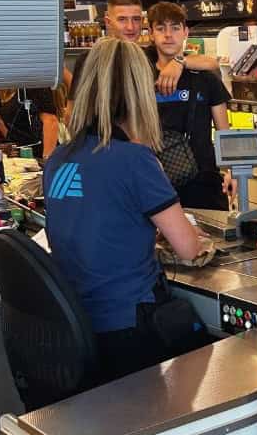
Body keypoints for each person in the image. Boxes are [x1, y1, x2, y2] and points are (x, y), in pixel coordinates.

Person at [44, 37, 202, 382]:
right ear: (139, 92)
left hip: (81, 330)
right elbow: (189, 248)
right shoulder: (134, 160)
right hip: (131, 328)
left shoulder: (57, 159)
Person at [148, 1, 236, 210]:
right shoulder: (141, 75)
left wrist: (232, 170)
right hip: (154, 180)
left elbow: (224, 131)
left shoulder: (205, 78)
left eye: (175, 28)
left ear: (186, 31)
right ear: (151, 33)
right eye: (161, 28)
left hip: (203, 181)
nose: (168, 35)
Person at [105, 0, 221, 94]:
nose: (130, 27)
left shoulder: (147, 56)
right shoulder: (97, 60)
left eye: (136, 19)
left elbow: (212, 63)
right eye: (122, 19)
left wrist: (179, 62)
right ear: (108, 23)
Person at [0, 88, 61, 158]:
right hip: (23, 157)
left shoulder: (34, 87)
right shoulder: (0, 97)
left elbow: (51, 122)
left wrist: (47, 159)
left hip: (43, 154)